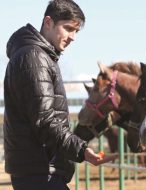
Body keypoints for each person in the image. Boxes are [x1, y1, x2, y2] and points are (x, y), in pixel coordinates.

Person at [3, 0, 117, 189]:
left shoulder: (38, 56)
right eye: (68, 28)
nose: (73, 37)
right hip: (40, 173)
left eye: (76, 31)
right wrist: (82, 150)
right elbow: (45, 120)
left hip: (39, 171)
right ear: (48, 22)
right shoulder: (35, 58)